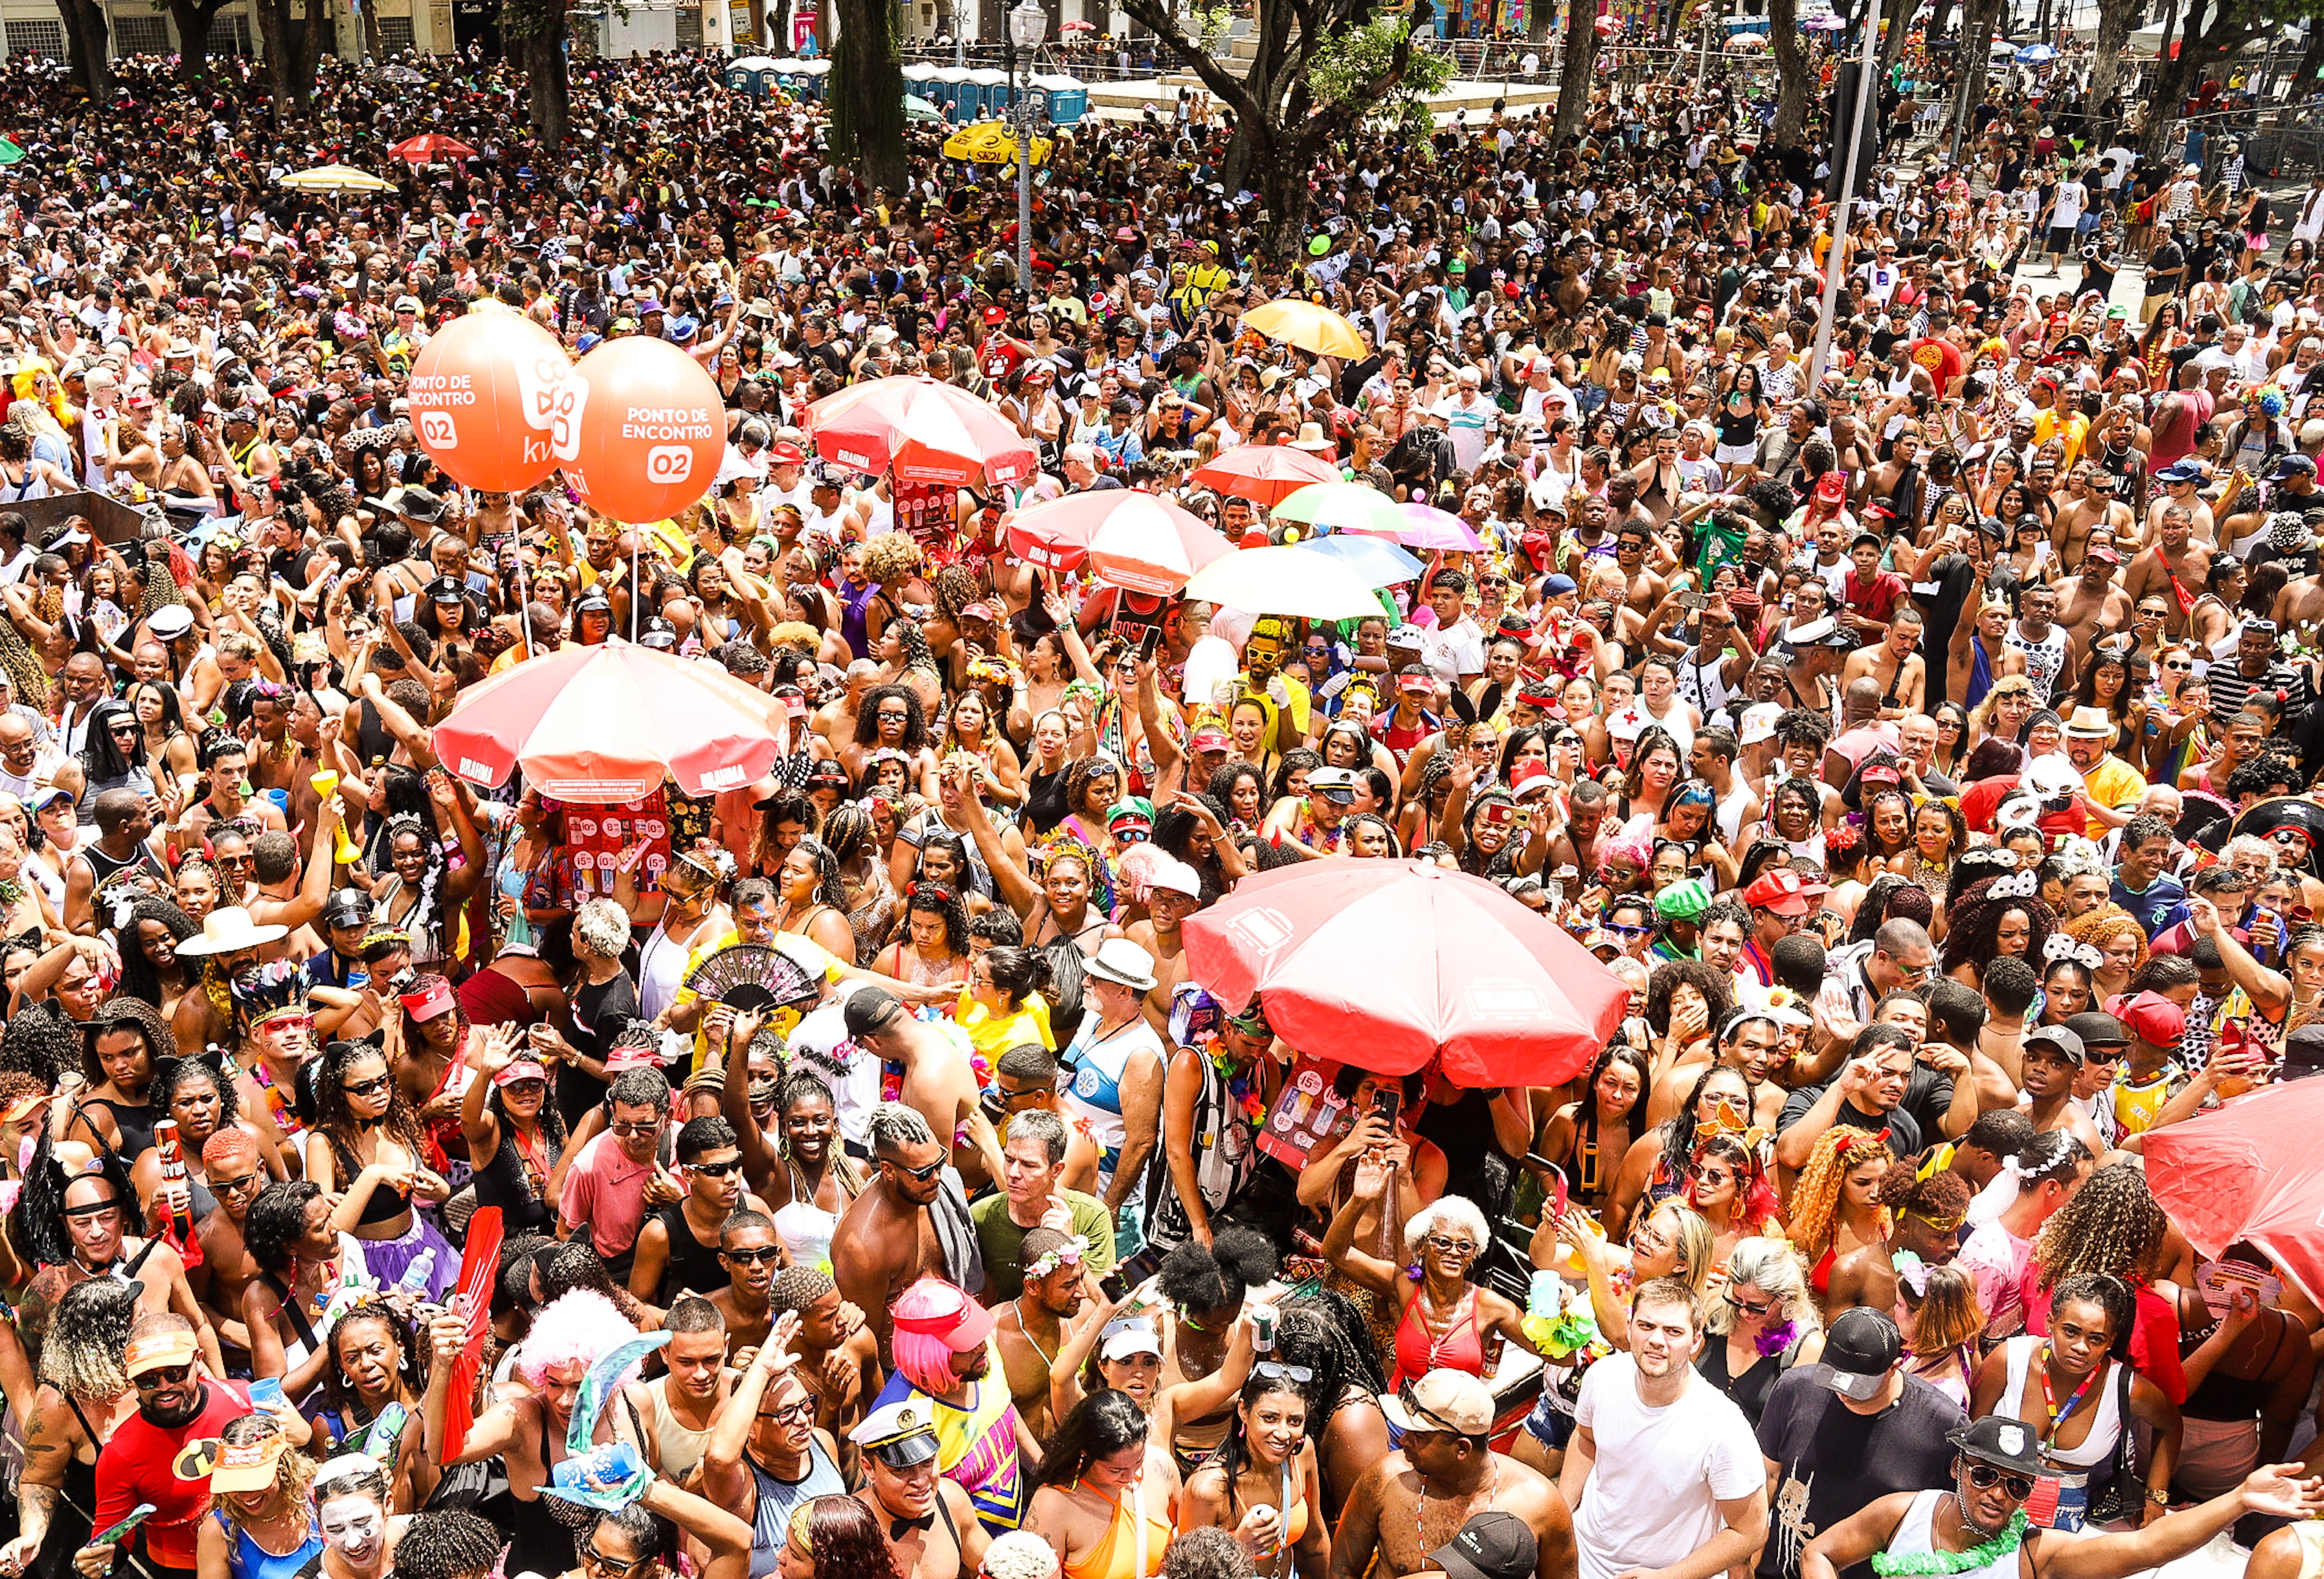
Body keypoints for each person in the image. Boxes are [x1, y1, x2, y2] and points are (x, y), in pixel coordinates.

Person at [1803, 1415, 2324, 1579]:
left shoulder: (2035, 1555)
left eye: (2016, 1484)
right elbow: (1819, 1553)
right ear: (1958, 1468)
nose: (1998, 1494)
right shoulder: (1903, 1512)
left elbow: (2147, 1547)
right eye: (1984, 1475)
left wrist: (2239, 1499)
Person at [1560, 1280, 1768, 1579]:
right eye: (1646, 1326)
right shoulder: (1603, 1376)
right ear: (1630, 1327)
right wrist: (1562, 1514)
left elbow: (1750, 1531)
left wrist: (1667, 1577)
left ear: (1696, 1341)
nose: (1657, 1340)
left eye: (1673, 1332)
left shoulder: (1724, 1427)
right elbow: (1586, 1440)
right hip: (1584, 1557)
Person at [1756, 1308, 1966, 1579]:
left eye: (1860, 1386)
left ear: (1895, 1366)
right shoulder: (1795, 1389)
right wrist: (1744, 1562)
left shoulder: (1943, 1426)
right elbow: (1767, 1477)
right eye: (1835, 1377)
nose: (1844, 1394)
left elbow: (1951, 1518)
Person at [1327, 1370, 1575, 1579]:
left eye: (1419, 1437)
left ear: (1462, 1449)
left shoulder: (1540, 1506)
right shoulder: (1385, 1479)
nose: (1403, 1441)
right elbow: (1342, 1572)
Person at [850, 1399, 991, 1579]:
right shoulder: (851, 1528)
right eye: (901, 1470)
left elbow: (994, 1570)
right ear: (869, 1469)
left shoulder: (952, 1502)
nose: (920, 1480)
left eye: (928, 1463)